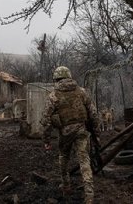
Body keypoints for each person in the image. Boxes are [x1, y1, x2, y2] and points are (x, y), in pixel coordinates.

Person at [41, 66, 100, 204]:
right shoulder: (82, 92)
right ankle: (89, 194)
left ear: (56, 79)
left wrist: (46, 140)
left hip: (65, 133)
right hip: (81, 131)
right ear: (69, 76)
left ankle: (66, 186)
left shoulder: (53, 96)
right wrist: (96, 133)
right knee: (84, 161)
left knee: (63, 158)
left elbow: (46, 121)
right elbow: (94, 114)